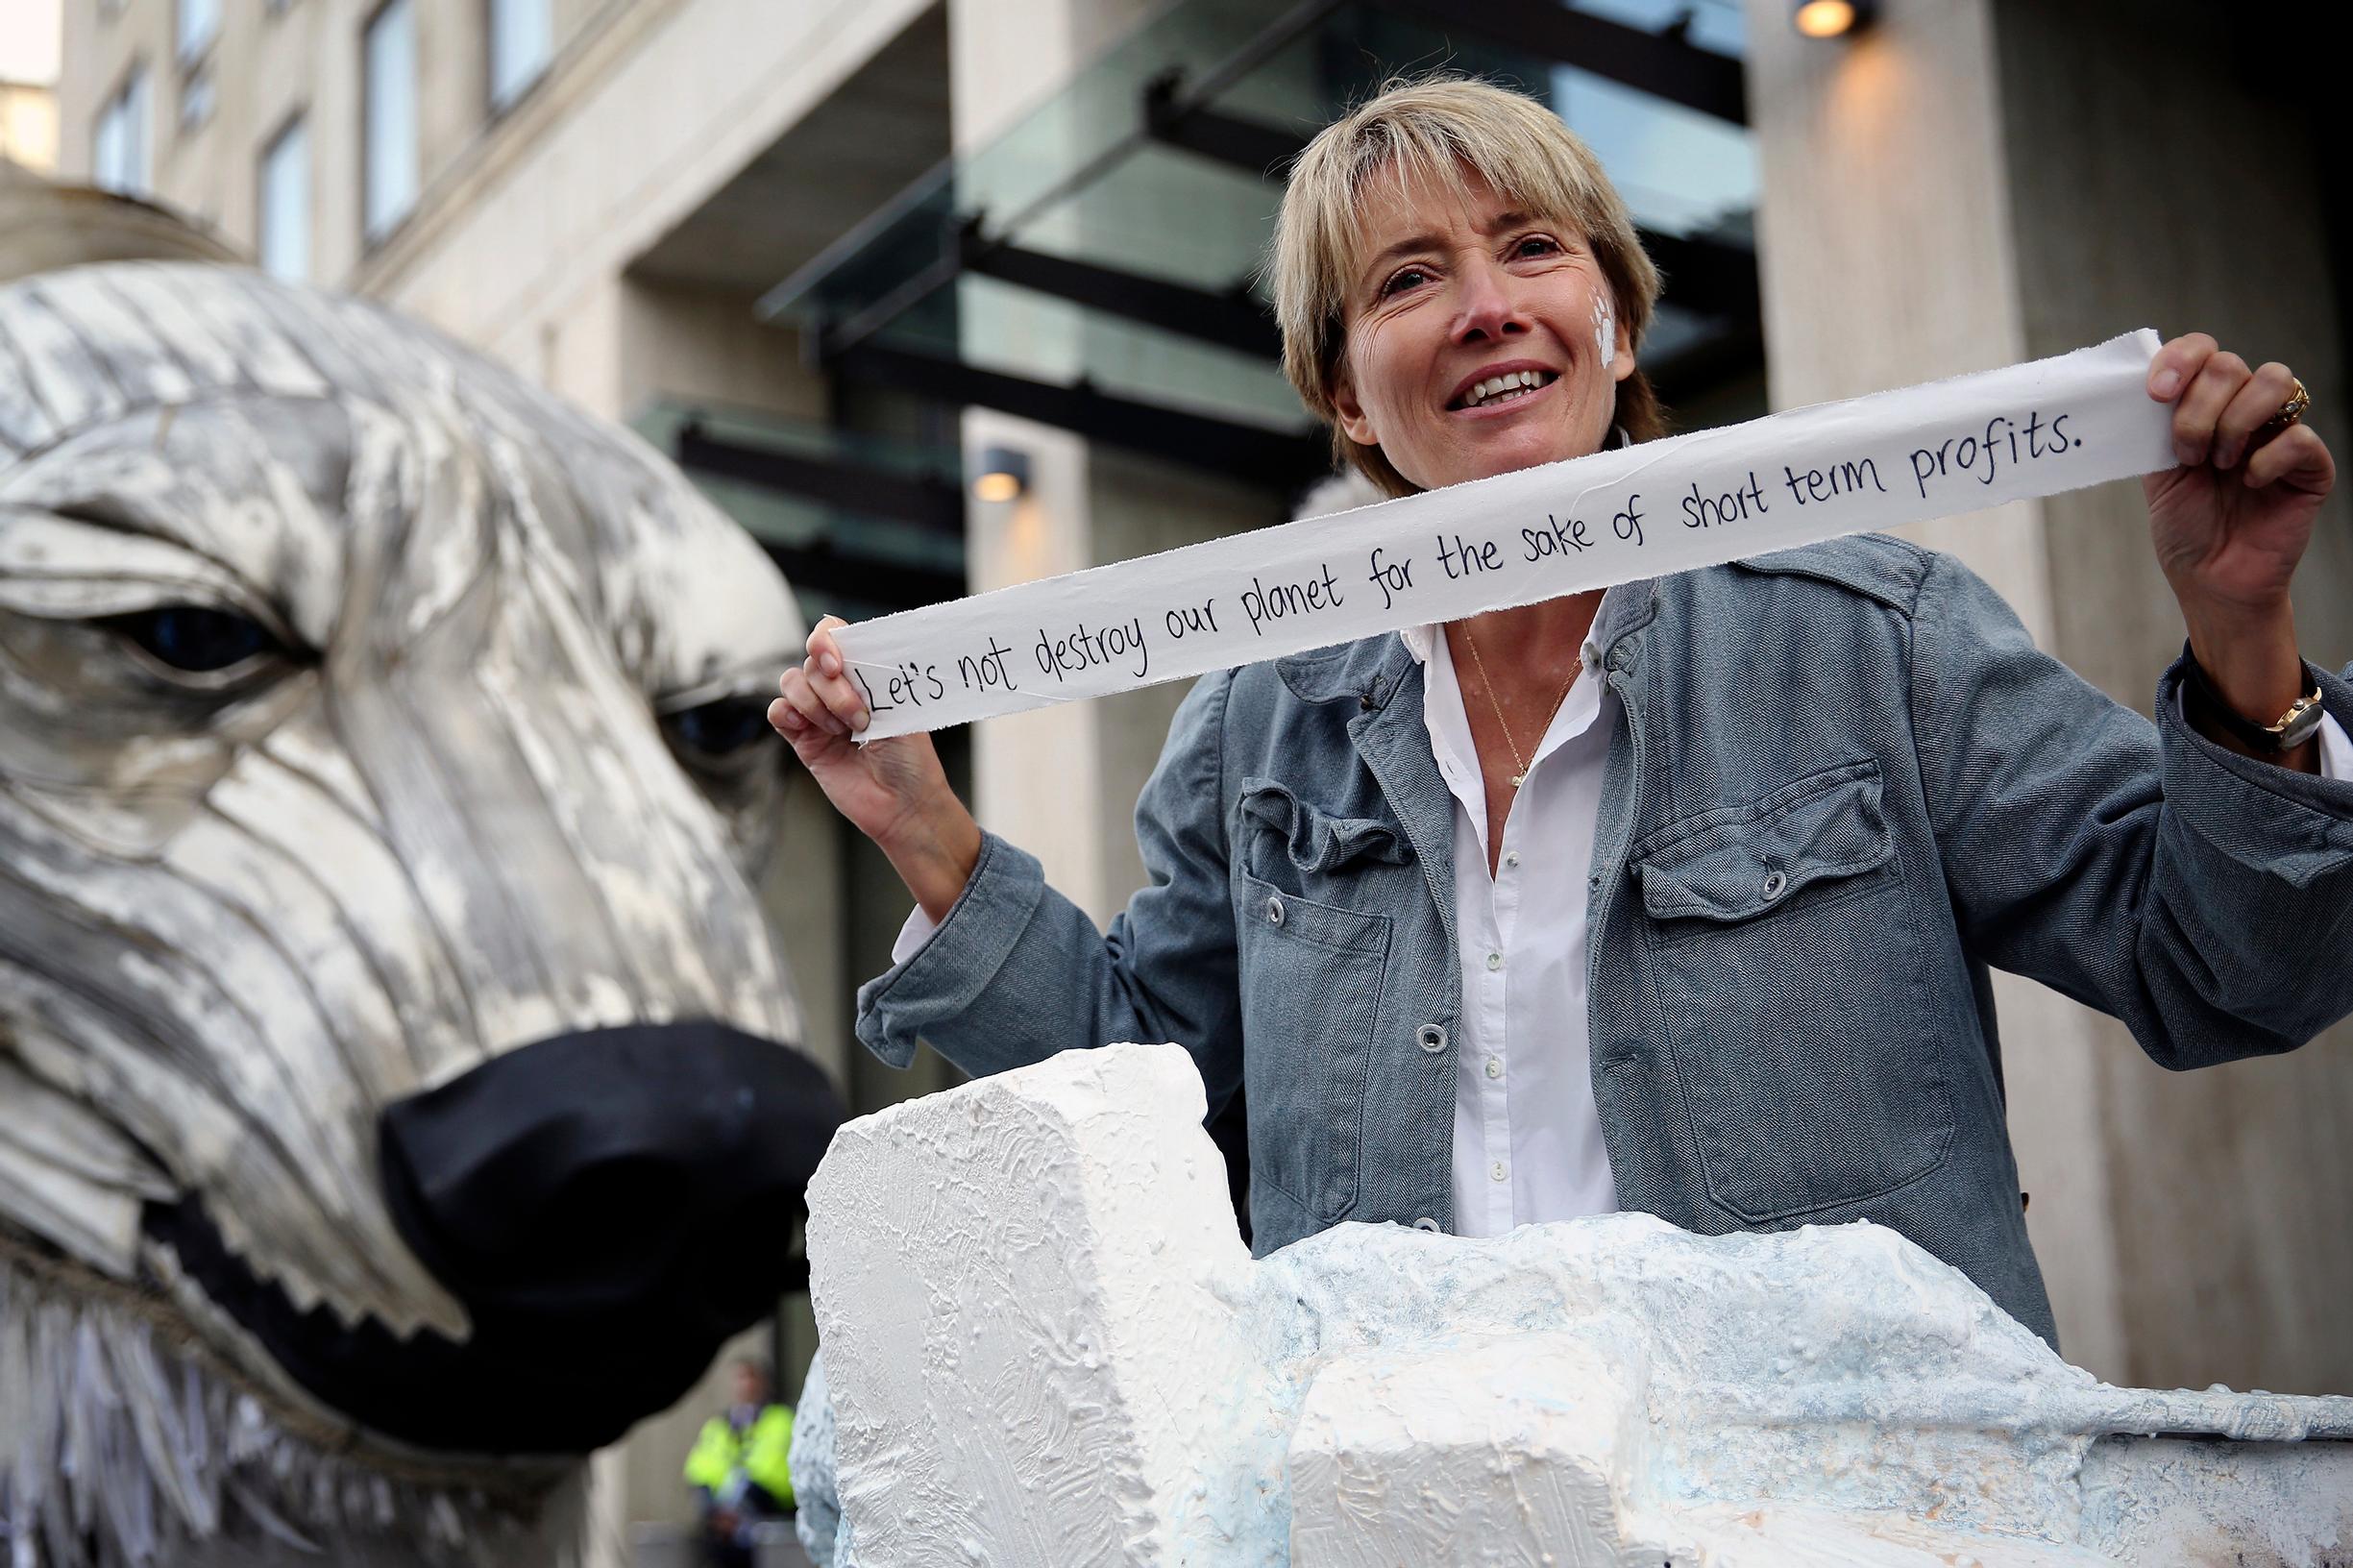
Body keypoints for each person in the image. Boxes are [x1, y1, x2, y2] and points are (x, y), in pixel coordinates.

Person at [768, 78, 2352, 1348]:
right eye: (1405, 279)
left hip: (1837, 1512)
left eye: (1531, 250)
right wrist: (920, 824)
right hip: (1393, 1512)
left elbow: (2233, 973)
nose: (1484, 307)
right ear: (1340, 392)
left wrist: (2237, 631)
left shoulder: (1870, 635)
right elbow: (1138, 1108)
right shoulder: (1253, 723)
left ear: (1614, 318)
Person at [684, 1358, 796, 1568]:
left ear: (765, 1383)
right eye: (740, 1378)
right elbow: (698, 1470)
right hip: (721, 1529)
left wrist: (744, 1504)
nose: (745, 1384)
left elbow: (781, 1472)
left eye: (751, 1377)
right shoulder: (717, 1426)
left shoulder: (781, 1420)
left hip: (765, 1519)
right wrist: (714, 1510)